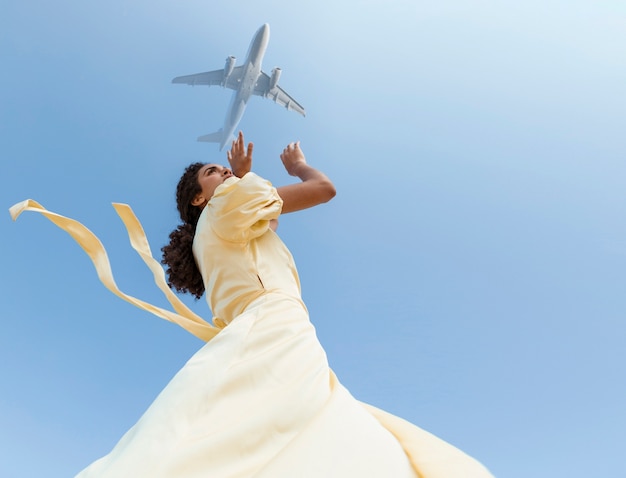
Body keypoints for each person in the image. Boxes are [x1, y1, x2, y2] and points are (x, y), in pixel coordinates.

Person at [10, 133, 494, 477]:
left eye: (222, 168)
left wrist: (243, 179)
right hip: (273, 322)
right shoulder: (225, 208)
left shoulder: (221, 223)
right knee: (278, 427)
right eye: (211, 172)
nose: (222, 170)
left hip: (265, 324)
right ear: (200, 199)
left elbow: (267, 222)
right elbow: (323, 190)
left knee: (262, 426)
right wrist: (295, 167)